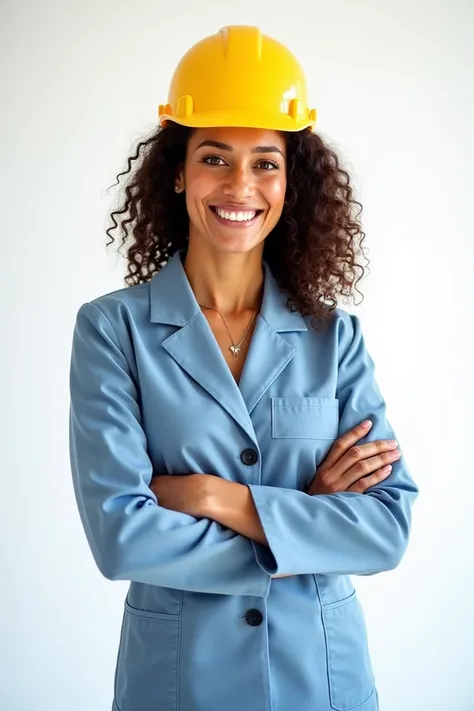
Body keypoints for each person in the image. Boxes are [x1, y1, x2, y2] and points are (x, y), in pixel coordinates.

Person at [69, 25, 418, 711]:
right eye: (214, 157)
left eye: (265, 161)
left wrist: (213, 495)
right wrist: (306, 518)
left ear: (291, 181)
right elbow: (122, 536)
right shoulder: (112, 330)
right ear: (177, 169)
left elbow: (385, 527)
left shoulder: (334, 337)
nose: (239, 185)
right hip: (178, 681)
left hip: (320, 677)